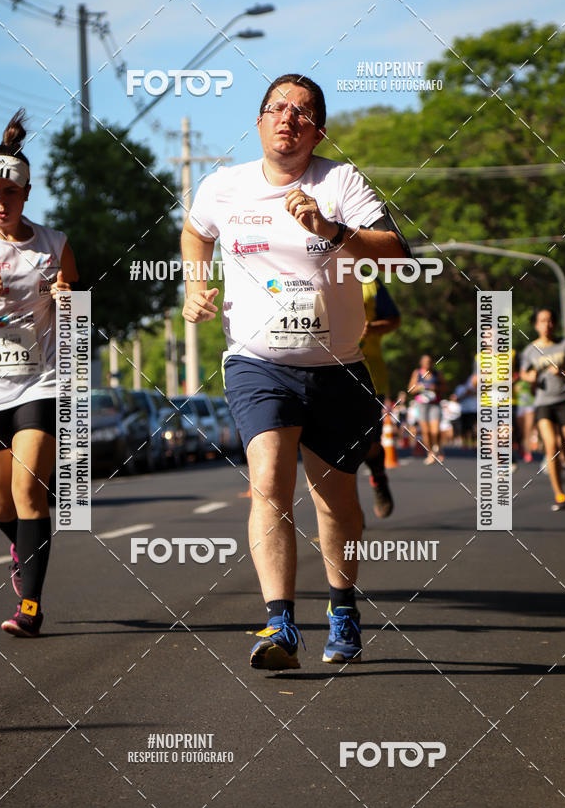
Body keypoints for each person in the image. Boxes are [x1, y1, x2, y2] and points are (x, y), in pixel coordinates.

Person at [182, 74, 411, 669]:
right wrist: (196, 286)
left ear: (319, 130)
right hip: (258, 365)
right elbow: (194, 232)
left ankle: (341, 607)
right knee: (268, 482)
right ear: (258, 122)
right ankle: (279, 625)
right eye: (277, 108)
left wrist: (330, 230)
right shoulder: (224, 186)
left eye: (304, 112)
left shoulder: (339, 181)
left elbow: (396, 249)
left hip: (339, 369)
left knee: (335, 504)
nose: (289, 118)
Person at [0, 110, 79, 636]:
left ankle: (31, 609)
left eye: (11, 192)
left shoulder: (54, 244)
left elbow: (79, 314)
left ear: (27, 194)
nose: (1, 201)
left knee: (28, 492)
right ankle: (23, 547)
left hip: (39, 381)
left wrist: (69, 302)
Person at [519, 308, 565, 511]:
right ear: (536, 325)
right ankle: (559, 494)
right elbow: (523, 374)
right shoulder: (530, 350)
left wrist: (563, 372)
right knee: (551, 447)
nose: (547, 324)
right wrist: (532, 377)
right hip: (543, 403)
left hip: (564, 400)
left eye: (550, 320)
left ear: (554, 323)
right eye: (542, 321)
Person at [359, 275, 400, 517]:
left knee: (370, 444)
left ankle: (378, 476)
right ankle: (348, 510)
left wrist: (371, 328)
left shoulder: (369, 282)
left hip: (369, 374)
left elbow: (394, 319)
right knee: (338, 448)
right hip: (327, 373)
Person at [407, 354, 446, 464]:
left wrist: (436, 388)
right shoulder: (417, 373)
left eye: (429, 361)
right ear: (421, 363)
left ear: (432, 363)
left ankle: (437, 447)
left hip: (434, 404)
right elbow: (410, 389)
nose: (427, 363)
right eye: (425, 361)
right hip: (422, 405)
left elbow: (445, 387)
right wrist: (419, 387)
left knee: (435, 430)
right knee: (426, 431)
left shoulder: (437, 374)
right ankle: (431, 453)